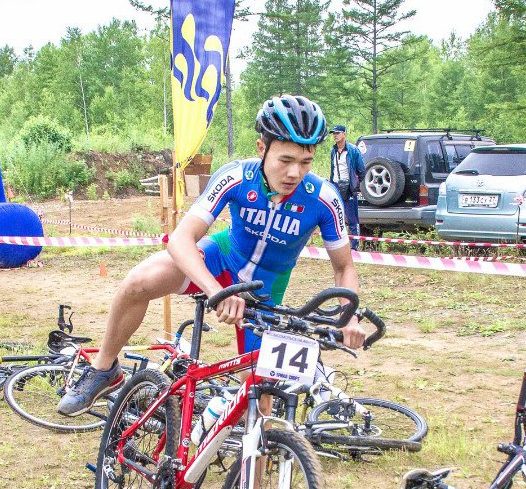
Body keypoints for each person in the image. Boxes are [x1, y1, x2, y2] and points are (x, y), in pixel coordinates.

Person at [58, 94, 367, 417]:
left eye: (306, 162)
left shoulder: (323, 197)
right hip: (220, 262)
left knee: (259, 407)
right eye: (285, 160)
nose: (294, 173)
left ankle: (243, 458)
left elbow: (343, 267)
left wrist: (350, 317)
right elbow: (180, 240)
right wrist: (215, 291)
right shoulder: (237, 176)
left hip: (264, 292)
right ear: (262, 149)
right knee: (139, 281)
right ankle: (104, 368)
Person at [328, 125, 366, 250]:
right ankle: (338, 245)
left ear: (344, 134)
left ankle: (354, 246)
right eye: (334, 133)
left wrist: (355, 185)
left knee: (352, 218)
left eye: (337, 133)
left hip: (348, 187)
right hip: (335, 185)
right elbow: (333, 169)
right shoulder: (333, 150)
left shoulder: (353, 150)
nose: (335, 135)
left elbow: (361, 170)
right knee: (335, 216)